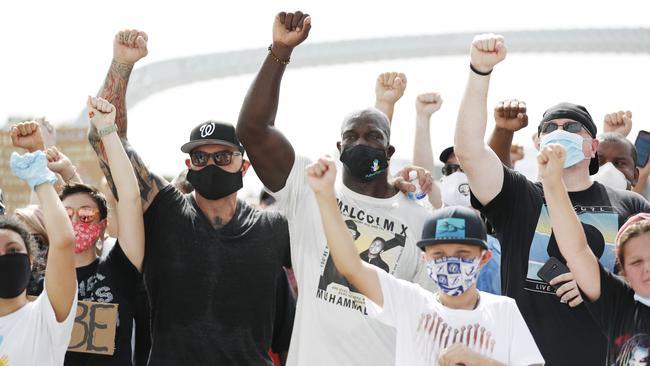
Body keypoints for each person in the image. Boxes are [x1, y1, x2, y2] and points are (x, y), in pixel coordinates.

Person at [237, 11, 435, 366]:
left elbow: (429, 319)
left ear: (389, 152)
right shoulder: (309, 187)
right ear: (339, 149)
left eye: (373, 137)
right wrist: (279, 52)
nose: (362, 143)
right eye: (352, 137)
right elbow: (253, 129)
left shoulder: (420, 219)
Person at [87, 29, 291, 365]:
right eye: (200, 158)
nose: (210, 164)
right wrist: (121, 66)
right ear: (188, 164)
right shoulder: (164, 209)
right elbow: (106, 141)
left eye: (223, 157)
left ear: (245, 166)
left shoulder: (273, 229)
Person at [453, 33, 650, 365]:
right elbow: (469, 152)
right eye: (551, 127)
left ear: (593, 146)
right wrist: (480, 71)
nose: (561, 132)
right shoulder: (517, 195)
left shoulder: (629, 206)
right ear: (538, 140)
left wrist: (600, 284)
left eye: (573, 127)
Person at [305, 155, 545, 365]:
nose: (450, 264)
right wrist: (325, 195)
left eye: (463, 254)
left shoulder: (503, 310)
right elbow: (351, 267)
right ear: (425, 258)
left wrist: (480, 362)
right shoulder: (410, 303)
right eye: (439, 255)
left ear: (484, 259)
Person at [538, 143, 649, 366]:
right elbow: (577, 250)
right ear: (624, 271)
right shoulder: (619, 304)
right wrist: (553, 184)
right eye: (636, 262)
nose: (647, 268)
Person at [0, 147, 77, 365]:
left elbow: (63, 241)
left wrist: (40, 178)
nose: (3, 257)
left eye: (13, 250)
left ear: (31, 260)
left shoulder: (45, 318)